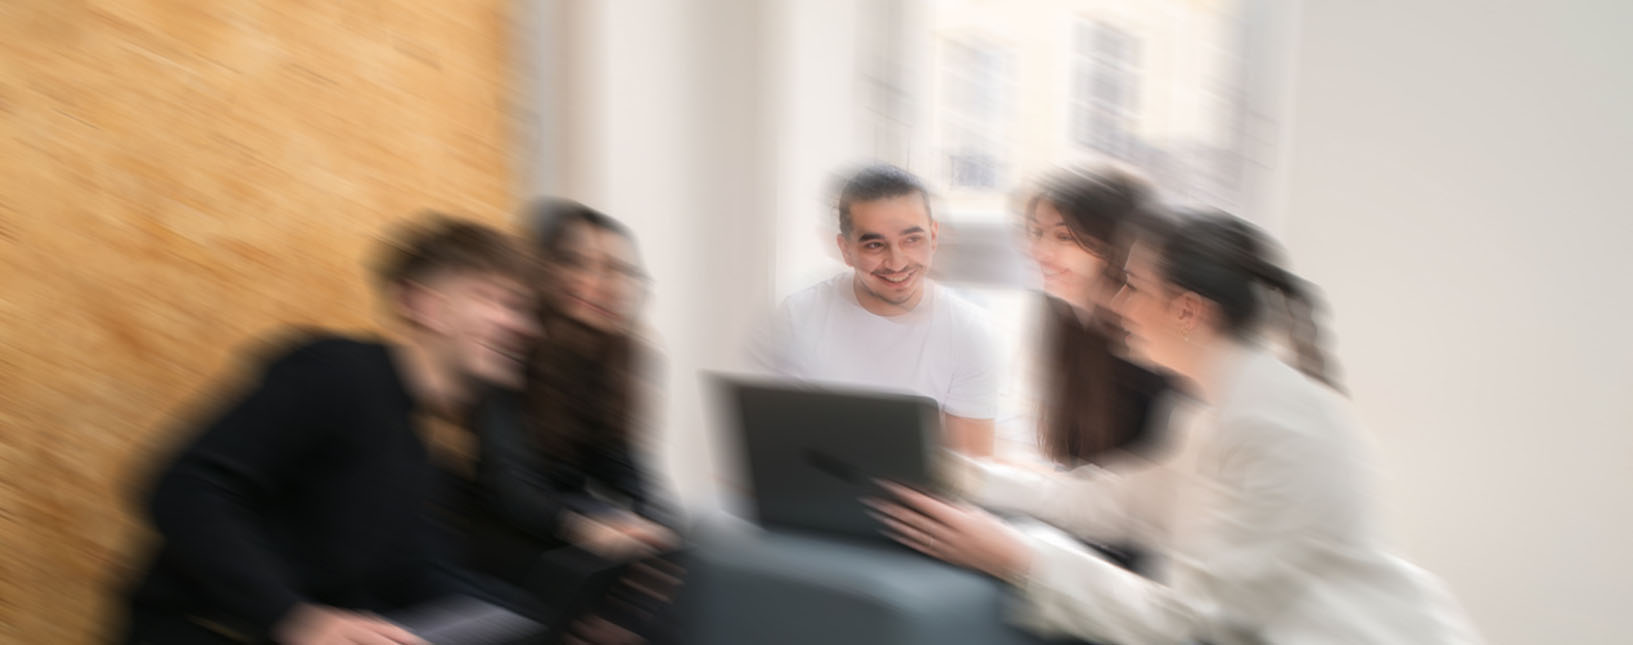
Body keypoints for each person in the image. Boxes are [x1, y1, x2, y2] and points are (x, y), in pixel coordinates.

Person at [872, 212, 1482, 643]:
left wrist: (1021, 558)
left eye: (1134, 289)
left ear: (1188, 310)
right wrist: (948, 472)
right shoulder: (1211, 411)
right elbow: (1103, 502)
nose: (1117, 305)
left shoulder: (1275, 424)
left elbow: (1196, 626)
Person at [123, 216, 539, 644]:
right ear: (422, 304)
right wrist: (293, 618)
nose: (522, 327)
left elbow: (419, 571)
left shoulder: (416, 442)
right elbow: (186, 487)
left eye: (523, 310)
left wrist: (547, 624)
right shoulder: (337, 372)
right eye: (494, 299)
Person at [463, 200, 679, 643]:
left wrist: (659, 525)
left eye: (617, 269)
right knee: (606, 580)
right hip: (499, 529)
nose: (600, 283)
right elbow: (508, 485)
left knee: (674, 560)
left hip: (565, 521)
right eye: (577, 263)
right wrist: (586, 526)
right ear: (542, 270)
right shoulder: (507, 349)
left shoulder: (613, 356)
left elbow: (623, 464)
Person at [755, 164, 1001, 455]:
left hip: (920, 499)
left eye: (912, 240)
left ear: (933, 237)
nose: (897, 263)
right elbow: (776, 443)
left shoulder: (970, 331)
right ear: (846, 250)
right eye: (874, 245)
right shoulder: (799, 314)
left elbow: (970, 471)